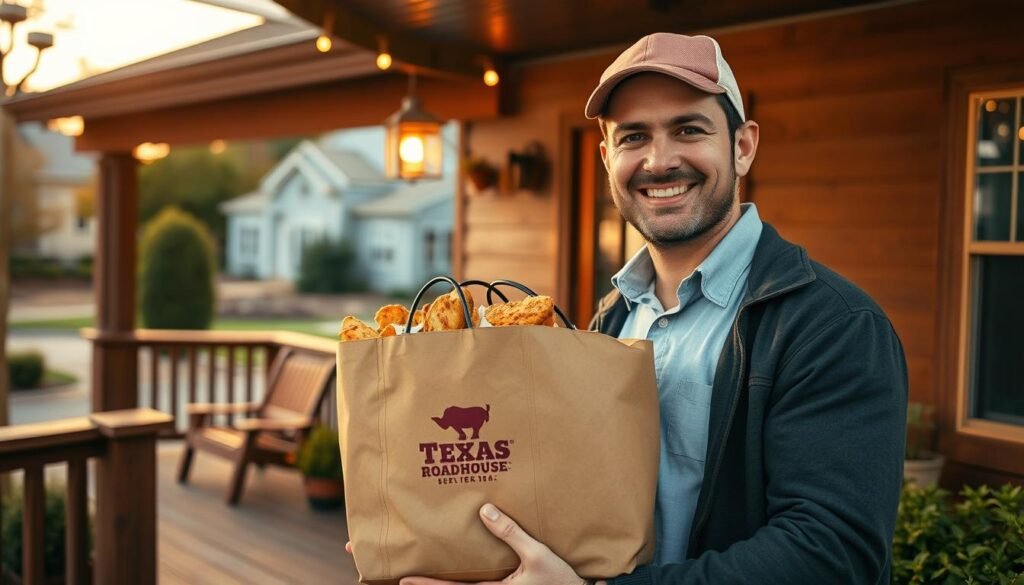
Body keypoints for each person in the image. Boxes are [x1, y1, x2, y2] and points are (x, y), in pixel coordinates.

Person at [396, 32, 909, 585]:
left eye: (688, 129)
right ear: (606, 158)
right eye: (633, 137)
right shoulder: (609, 321)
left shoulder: (833, 327)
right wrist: (439, 534)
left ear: (742, 146)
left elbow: (830, 556)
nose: (659, 161)